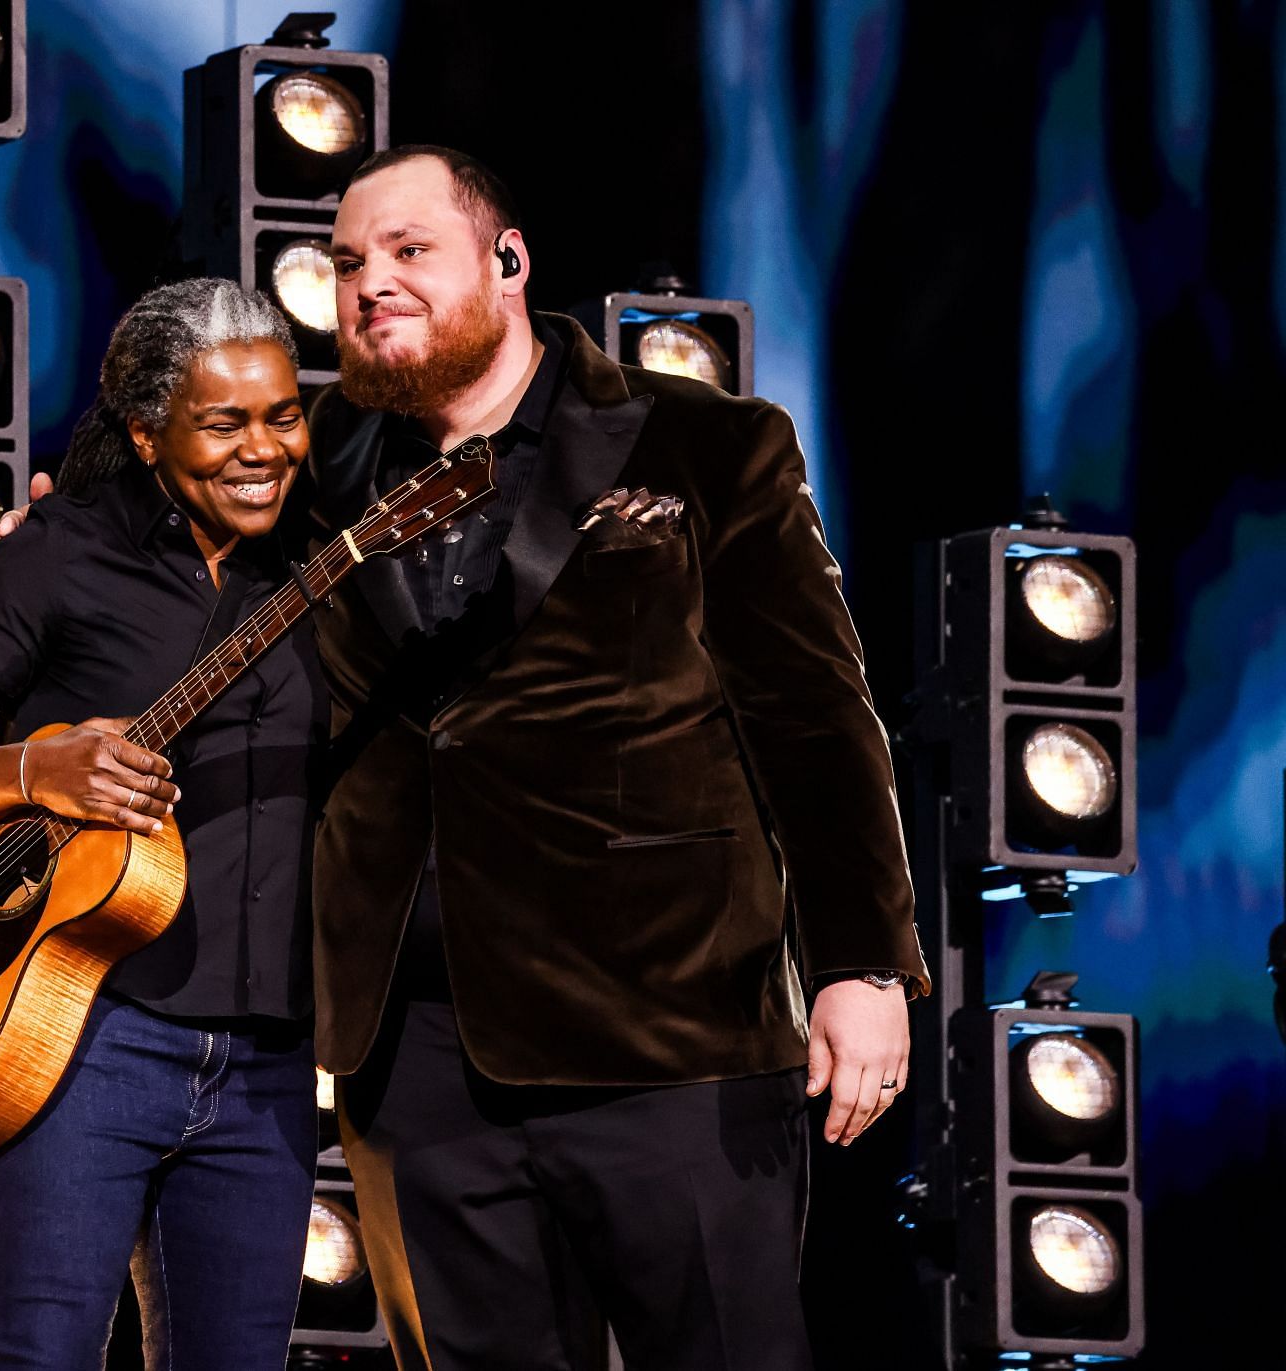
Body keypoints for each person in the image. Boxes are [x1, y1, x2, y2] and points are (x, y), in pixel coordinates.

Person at [299, 146, 931, 1370]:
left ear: (509, 261)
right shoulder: (315, 466)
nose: (371, 282)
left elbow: (816, 711)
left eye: (408, 250)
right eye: (347, 263)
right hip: (415, 1057)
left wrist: (861, 961)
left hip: (666, 1027)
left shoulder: (704, 442)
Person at [0, 278, 324, 1370]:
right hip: (80, 1037)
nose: (263, 449)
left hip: (269, 1060)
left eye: (284, 414)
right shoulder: (62, 549)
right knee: (35, 1356)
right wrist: (33, 767)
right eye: (224, 424)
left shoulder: (327, 558)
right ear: (148, 435)